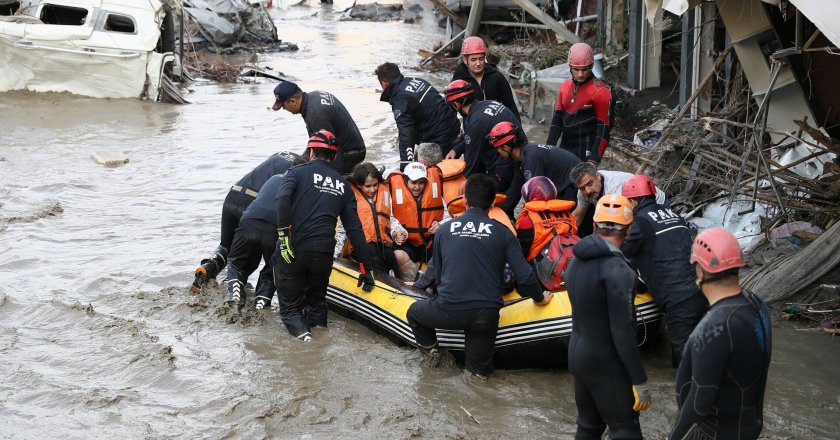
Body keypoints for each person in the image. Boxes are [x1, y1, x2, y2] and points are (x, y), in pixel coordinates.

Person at [406, 174, 552, 379]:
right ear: (493, 202)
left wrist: (417, 286)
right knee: (478, 377)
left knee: (413, 312)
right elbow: (526, 277)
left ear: (464, 200)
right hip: (485, 315)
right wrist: (540, 298)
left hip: (448, 309)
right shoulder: (504, 233)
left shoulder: (444, 230)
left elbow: (434, 272)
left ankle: (433, 355)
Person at [670, 228, 772, 440]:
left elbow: (699, 403)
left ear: (700, 271)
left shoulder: (713, 327)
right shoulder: (756, 304)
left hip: (713, 434)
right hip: (748, 427)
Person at [274, 130, 375, 342]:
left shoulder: (296, 173)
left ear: (311, 152)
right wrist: (366, 267)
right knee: (317, 303)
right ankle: (320, 340)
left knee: (290, 310)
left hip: (294, 248)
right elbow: (355, 229)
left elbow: (282, 199)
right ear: (335, 156)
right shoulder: (343, 186)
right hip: (323, 254)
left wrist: (283, 236)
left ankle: (308, 345)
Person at [566, 194, 651, 439]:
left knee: (589, 426)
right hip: (605, 362)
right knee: (625, 430)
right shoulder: (618, 270)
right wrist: (639, 379)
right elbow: (623, 331)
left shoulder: (576, 261)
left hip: (578, 355)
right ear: (630, 228)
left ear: (594, 225)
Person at [621, 175, 708, 367]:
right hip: (703, 289)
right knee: (704, 347)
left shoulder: (638, 224)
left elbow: (618, 254)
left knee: (684, 361)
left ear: (633, 201)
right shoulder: (674, 215)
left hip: (679, 298)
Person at [192, 151, 300, 291]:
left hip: (233, 195)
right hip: (254, 205)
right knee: (251, 254)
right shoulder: (302, 170)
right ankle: (235, 288)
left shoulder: (282, 154)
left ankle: (208, 267)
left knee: (226, 246)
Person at [224, 155, 308, 311]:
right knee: (272, 269)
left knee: (236, 262)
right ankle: (262, 301)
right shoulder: (301, 187)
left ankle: (235, 291)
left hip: (249, 221)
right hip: (274, 229)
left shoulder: (274, 178)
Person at [443, 80, 520, 216]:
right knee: (507, 205)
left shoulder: (476, 121)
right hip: (517, 158)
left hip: (504, 167)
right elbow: (476, 135)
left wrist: (462, 190)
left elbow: (471, 164)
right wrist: (457, 149)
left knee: (491, 206)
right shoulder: (487, 104)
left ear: (456, 104)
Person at [271, 81, 366, 174]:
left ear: (293, 101)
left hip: (349, 154)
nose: (284, 109)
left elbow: (327, 150)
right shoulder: (313, 96)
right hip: (354, 146)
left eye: (283, 105)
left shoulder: (315, 114)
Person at [374, 62, 462, 163]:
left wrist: (405, 164)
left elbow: (406, 134)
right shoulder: (417, 81)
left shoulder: (400, 99)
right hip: (456, 132)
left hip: (443, 142)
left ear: (384, 83)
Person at [545, 42, 613, 165]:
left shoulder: (601, 91)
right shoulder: (565, 86)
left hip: (585, 155)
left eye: (585, 69)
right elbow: (557, 119)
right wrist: (548, 149)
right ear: (570, 67)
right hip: (564, 149)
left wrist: (593, 160)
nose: (580, 74)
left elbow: (604, 129)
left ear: (592, 65)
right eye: (576, 69)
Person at [344, 162, 413, 280]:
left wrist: (398, 231)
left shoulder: (383, 192)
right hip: (362, 246)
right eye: (368, 186)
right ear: (358, 184)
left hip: (381, 243)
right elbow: (342, 228)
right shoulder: (350, 197)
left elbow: (388, 218)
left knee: (390, 258)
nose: (372, 189)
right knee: (374, 257)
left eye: (375, 185)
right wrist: (333, 255)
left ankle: (401, 285)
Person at [488, 121, 581, 206]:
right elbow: (515, 190)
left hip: (574, 188)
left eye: (498, 149)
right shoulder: (523, 156)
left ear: (506, 147)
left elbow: (535, 198)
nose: (498, 153)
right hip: (568, 186)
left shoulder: (531, 159)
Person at [570, 161, 666, 237]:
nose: (587, 191)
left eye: (590, 184)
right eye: (582, 188)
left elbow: (618, 226)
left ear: (597, 176)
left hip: (655, 202)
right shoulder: (584, 191)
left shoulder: (615, 190)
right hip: (630, 208)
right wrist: (563, 233)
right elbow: (578, 215)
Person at [515, 177, 577, 290]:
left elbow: (520, 253)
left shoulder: (528, 221)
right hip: (570, 267)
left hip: (541, 275)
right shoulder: (569, 215)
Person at [387, 162, 445, 267]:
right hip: (407, 244)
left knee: (447, 252)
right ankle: (413, 281)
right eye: (413, 182)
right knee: (397, 255)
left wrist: (440, 225)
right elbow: (388, 219)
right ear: (405, 181)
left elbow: (448, 216)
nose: (417, 187)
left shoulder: (435, 195)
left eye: (421, 182)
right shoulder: (394, 196)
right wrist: (396, 233)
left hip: (429, 244)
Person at [451, 36, 521, 122]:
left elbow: (510, 106)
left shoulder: (496, 77)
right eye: (473, 60)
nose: (478, 63)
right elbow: (451, 111)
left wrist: (518, 131)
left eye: (481, 59)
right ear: (465, 60)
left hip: (496, 127)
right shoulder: (458, 80)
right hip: (473, 128)